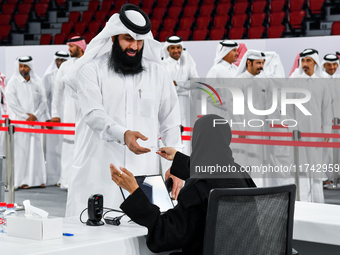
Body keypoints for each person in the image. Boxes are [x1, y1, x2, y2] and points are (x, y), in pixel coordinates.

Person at [61, 4, 183, 217]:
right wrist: (123, 134)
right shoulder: (91, 70)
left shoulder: (158, 73)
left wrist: (175, 166)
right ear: (113, 37)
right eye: (128, 38)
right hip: (98, 170)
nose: (134, 46)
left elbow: (171, 122)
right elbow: (93, 113)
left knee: (146, 239)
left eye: (139, 40)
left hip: (145, 172)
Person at [110, 114, 256, 255]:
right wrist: (177, 158)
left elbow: (164, 236)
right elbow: (210, 174)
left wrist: (135, 191)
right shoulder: (240, 173)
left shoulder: (196, 188)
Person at [288, 48, 332, 202]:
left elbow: (327, 109)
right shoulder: (294, 81)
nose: (305, 64)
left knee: (316, 167)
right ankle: (303, 202)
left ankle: (318, 202)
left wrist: (327, 130)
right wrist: (293, 129)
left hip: (317, 133)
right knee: (302, 169)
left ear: (315, 63)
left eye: (308, 61)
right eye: (303, 61)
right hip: (298, 134)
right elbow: (288, 108)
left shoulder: (322, 83)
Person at [5, 56, 49, 189]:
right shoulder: (13, 83)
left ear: (30, 67)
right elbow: (12, 103)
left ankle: (37, 180)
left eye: (25, 66)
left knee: (36, 151)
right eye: (21, 66)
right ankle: (21, 180)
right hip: (20, 124)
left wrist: (35, 115)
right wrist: (26, 117)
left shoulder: (37, 82)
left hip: (35, 123)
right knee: (21, 153)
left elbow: (43, 101)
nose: (23, 69)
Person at [51, 37, 86, 190]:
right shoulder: (65, 66)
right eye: (69, 46)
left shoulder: (90, 62)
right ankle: (66, 181)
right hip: (69, 112)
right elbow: (57, 92)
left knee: (85, 147)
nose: (69, 49)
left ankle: (83, 181)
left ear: (80, 47)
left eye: (72, 46)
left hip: (87, 111)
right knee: (68, 148)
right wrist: (55, 114)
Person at [162, 35, 199, 157]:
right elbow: (165, 86)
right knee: (172, 133)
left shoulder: (188, 63)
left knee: (187, 134)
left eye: (179, 47)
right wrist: (185, 85)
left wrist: (177, 83)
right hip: (169, 104)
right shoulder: (163, 65)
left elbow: (196, 83)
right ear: (168, 49)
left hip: (186, 104)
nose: (176, 50)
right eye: (173, 48)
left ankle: (186, 165)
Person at [42, 51, 69, 186]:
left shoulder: (70, 73)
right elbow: (45, 99)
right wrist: (49, 117)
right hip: (54, 118)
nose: (60, 63)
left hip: (69, 117)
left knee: (67, 148)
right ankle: (54, 177)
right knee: (54, 149)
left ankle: (64, 178)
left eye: (63, 60)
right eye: (58, 60)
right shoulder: (48, 76)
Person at [321, 53, 340, 185]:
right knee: (325, 150)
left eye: (334, 64)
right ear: (324, 65)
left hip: (338, 121)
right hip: (325, 122)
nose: (332, 67)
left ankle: (337, 176)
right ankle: (324, 178)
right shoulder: (320, 79)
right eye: (329, 64)